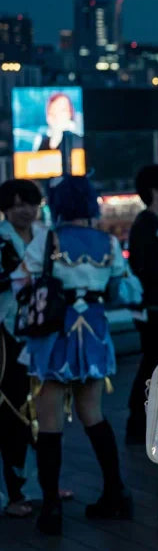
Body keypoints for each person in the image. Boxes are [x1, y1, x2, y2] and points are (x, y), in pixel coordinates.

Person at [19, 176, 137, 535]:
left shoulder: (47, 239)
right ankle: (115, 493)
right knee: (94, 415)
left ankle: (51, 506)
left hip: (56, 333)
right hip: (96, 333)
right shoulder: (107, 242)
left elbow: (22, 280)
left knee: (49, 419)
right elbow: (122, 286)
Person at [0, 179, 46, 518]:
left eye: (29, 202)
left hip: (44, 333)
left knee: (46, 409)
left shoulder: (47, 236)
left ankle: (47, 482)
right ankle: (15, 492)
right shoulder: (1, 239)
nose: (24, 210)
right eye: (16, 204)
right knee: (14, 411)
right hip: (8, 337)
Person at [124, 164, 158, 444]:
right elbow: (144, 267)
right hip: (155, 307)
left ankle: (145, 419)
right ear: (157, 190)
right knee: (154, 363)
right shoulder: (146, 225)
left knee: (156, 362)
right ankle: (139, 419)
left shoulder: (157, 223)